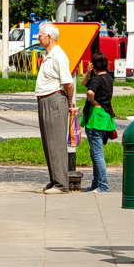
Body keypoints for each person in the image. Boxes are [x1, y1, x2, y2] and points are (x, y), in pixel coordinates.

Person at [33, 22, 75, 194]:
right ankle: (54, 180)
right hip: (45, 100)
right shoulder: (48, 55)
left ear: (48, 37)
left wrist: (70, 101)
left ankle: (61, 184)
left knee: (56, 142)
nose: (38, 38)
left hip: (55, 100)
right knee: (48, 142)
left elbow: (69, 83)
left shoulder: (59, 55)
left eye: (40, 35)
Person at [82, 52, 115, 193]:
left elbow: (89, 92)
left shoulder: (96, 80)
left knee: (97, 154)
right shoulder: (108, 78)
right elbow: (84, 83)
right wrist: (88, 73)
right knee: (96, 153)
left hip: (95, 119)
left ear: (93, 65)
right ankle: (96, 183)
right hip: (105, 118)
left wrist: (92, 101)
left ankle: (102, 186)